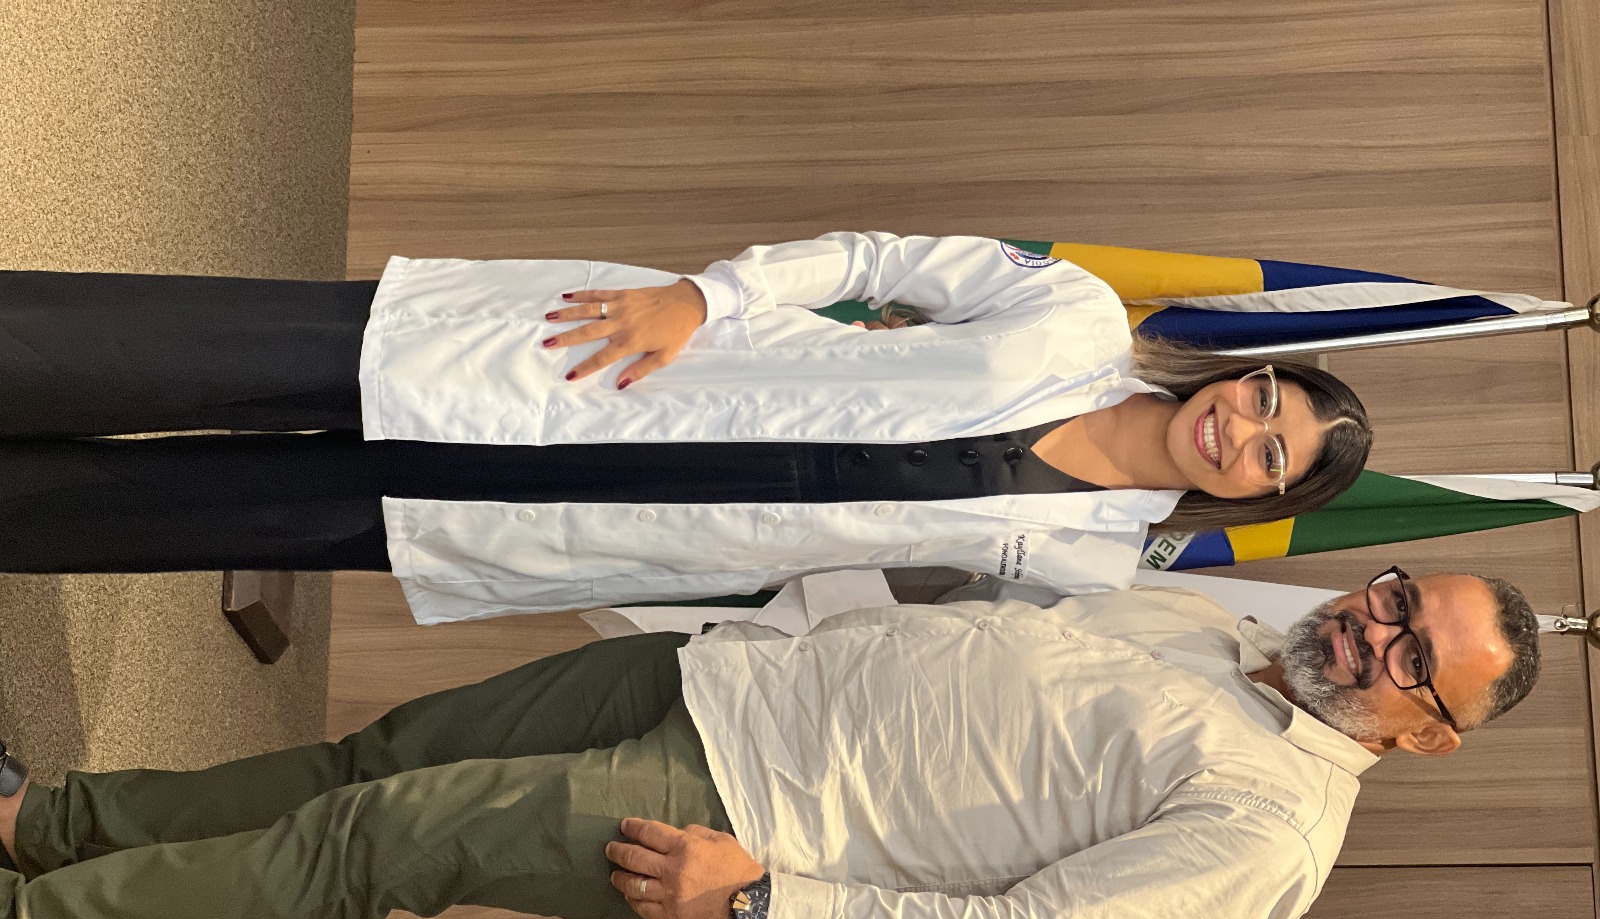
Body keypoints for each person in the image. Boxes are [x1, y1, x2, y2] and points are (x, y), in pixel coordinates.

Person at [0, 565, 1539, 919]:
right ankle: (43, 831)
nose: (1376, 628)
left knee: (372, 841)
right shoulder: (1219, 629)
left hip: (734, 823)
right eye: (1399, 599)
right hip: (717, 680)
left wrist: (766, 911)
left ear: (1426, 736)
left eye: (1416, 656)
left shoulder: (1270, 840)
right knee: (377, 761)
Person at [0, 233, 1371, 622]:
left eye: (1272, 457)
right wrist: (701, 298)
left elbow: (877, 626)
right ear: (1245, 374)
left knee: (174, 516)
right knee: (182, 357)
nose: (1242, 431)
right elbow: (873, 261)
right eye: (1266, 399)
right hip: (605, 365)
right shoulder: (1072, 314)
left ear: (1256, 498)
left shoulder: (1089, 563)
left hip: (584, 523)